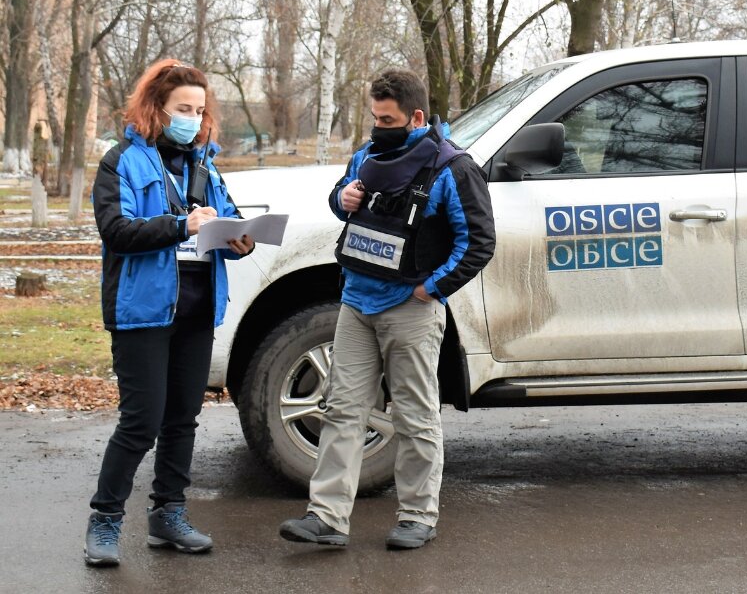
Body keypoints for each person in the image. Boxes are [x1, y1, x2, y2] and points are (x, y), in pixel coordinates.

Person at [279, 68, 495, 551]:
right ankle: (327, 518)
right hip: (355, 303)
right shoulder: (366, 155)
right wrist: (343, 197)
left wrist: (431, 290)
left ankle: (418, 515)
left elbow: (479, 241)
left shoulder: (453, 168)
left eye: (388, 118)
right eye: (374, 116)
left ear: (416, 117)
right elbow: (340, 200)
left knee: (415, 417)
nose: (379, 126)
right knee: (341, 411)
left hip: (410, 310)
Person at [84, 59, 255, 566]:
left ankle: (168, 515)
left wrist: (241, 238)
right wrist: (182, 225)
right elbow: (117, 232)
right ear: (156, 107)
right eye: (184, 108)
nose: (194, 119)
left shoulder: (204, 164)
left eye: (200, 110)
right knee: (141, 421)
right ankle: (106, 520)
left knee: (183, 419)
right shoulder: (122, 162)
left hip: (197, 310)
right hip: (142, 312)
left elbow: (224, 220)